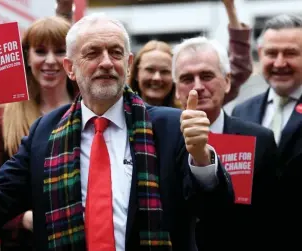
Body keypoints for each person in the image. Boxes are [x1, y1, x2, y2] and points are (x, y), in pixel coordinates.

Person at [0, 13, 233, 251]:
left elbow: (216, 214)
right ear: (70, 68)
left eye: (115, 53)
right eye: (92, 53)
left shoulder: (171, 127)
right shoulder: (45, 132)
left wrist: (201, 159)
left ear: (128, 64)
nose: (106, 62)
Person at [173, 36, 279, 251]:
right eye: (186, 79)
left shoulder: (259, 140)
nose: (197, 87)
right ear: (176, 90)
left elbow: (272, 221)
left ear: (227, 81)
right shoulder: (160, 138)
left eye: (206, 76)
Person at [231, 14, 302, 249]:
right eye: (272, 54)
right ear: (260, 55)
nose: (280, 63)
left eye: (290, 53)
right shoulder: (242, 112)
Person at [128, 0, 253, 107]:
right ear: (136, 74)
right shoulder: (121, 112)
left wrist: (230, 8)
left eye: (165, 71)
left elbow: (239, 69)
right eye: (150, 70)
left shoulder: (194, 105)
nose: (157, 78)